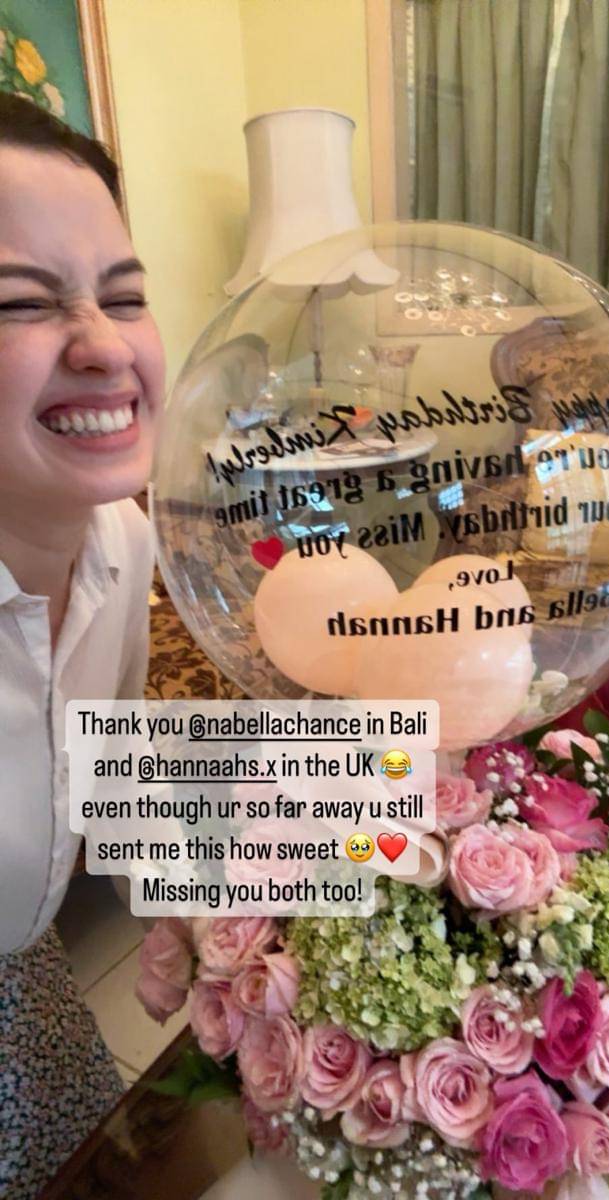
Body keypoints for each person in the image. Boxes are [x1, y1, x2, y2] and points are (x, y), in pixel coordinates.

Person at [0, 92, 165, 1197]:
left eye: (126, 294)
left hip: (30, 985)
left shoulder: (123, 537)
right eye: (21, 303)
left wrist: (392, 795)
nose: (104, 343)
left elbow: (111, 774)